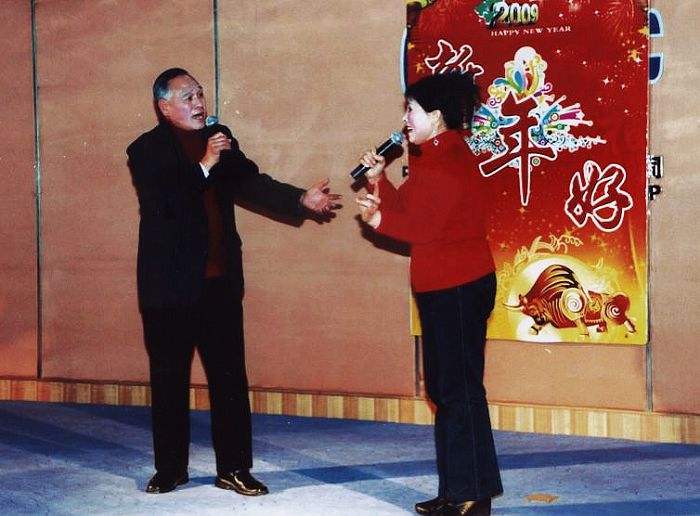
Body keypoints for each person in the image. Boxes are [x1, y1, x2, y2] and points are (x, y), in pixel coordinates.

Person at [127, 67, 340, 495]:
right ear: (164, 107)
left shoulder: (219, 138)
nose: (199, 103)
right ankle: (170, 469)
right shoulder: (146, 150)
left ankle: (234, 468)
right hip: (168, 290)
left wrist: (300, 199)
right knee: (169, 380)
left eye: (200, 94)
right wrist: (205, 164)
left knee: (229, 380)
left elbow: (250, 183)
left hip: (218, 284)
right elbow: (166, 204)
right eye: (188, 97)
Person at [355, 72, 502, 516]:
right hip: (446, 285)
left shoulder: (446, 161)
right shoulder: (435, 156)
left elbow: (421, 227)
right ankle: (458, 489)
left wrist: (379, 221)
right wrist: (379, 181)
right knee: (447, 388)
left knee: (457, 389)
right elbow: (412, 209)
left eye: (411, 110)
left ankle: (471, 495)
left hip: (458, 285)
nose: (405, 119)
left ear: (435, 116)